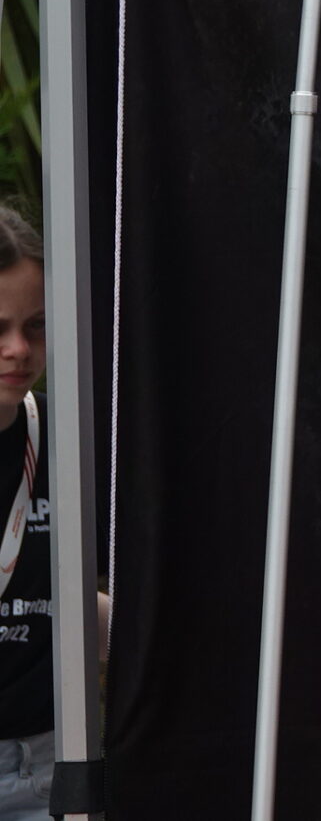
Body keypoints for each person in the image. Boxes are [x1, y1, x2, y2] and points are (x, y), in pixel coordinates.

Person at [0, 209, 59, 821]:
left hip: (44, 770)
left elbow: (55, 599)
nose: (17, 349)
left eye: (34, 326)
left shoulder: (62, 436)